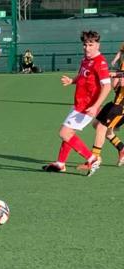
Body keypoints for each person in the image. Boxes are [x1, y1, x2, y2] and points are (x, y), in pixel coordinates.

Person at [42, 30, 111, 176]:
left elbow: (107, 86)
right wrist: (72, 81)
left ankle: (92, 159)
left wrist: (95, 106)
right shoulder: (85, 60)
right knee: (69, 132)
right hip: (79, 103)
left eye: (91, 44)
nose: (87, 48)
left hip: (87, 106)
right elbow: (82, 77)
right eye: (85, 45)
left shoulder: (100, 62)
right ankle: (60, 163)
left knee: (64, 132)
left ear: (98, 45)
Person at [76, 71, 124, 171]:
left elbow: (121, 82)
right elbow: (116, 83)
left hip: (120, 109)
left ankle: (95, 158)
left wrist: (118, 77)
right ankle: (122, 148)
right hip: (113, 104)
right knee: (96, 124)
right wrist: (113, 75)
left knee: (101, 128)